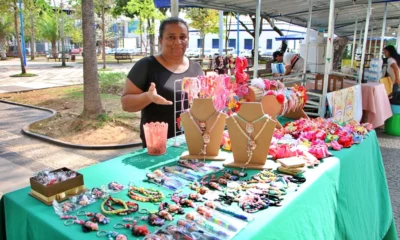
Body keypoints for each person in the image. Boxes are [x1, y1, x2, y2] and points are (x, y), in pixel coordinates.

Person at [121, 17, 203, 148]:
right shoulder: (146, 66)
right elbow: (126, 104)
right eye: (171, 37)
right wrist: (148, 97)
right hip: (157, 146)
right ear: (160, 40)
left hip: (192, 142)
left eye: (183, 37)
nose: (177, 42)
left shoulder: (196, 68)